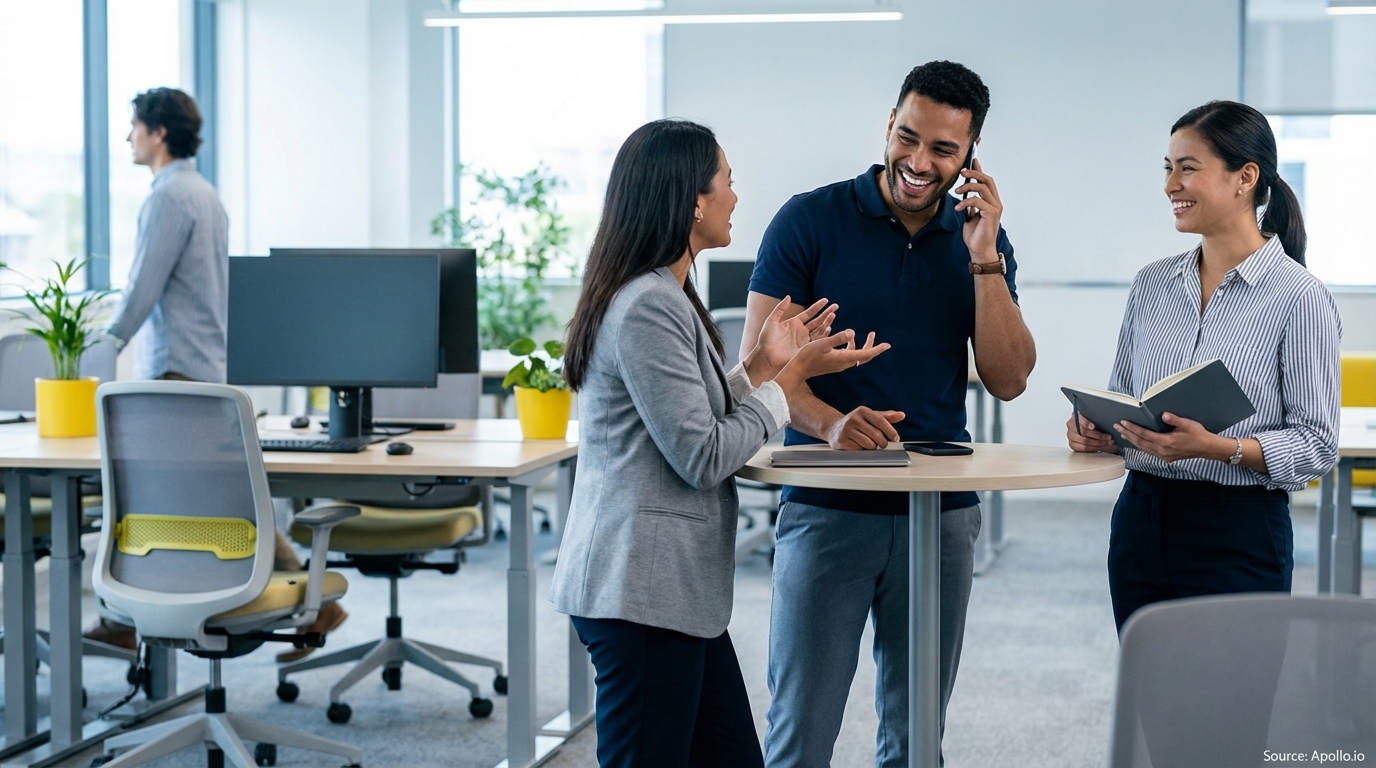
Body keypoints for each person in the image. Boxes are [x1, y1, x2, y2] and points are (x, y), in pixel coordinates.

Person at [550, 118, 890, 768]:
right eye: (727, 181)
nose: (736, 195)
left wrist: (762, 365)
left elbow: (688, 412)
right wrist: (786, 388)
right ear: (694, 199)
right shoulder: (648, 305)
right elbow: (702, 454)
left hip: (674, 598)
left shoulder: (666, 295)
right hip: (641, 595)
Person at [742, 61, 1036, 767]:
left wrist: (985, 258)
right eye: (908, 138)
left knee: (916, 737)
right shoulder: (809, 219)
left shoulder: (979, 242)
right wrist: (832, 425)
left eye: (943, 150)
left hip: (938, 514)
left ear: (971, 158)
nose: (917, 161)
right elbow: (761, 368)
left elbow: (1010, 379)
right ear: (888, 126)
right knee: (800, 730)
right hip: (826, 503)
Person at [87, 88, 346, 662]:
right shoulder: (205, 194)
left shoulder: (168, 198)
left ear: (157, 132)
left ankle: (124, 613)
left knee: (158, 504)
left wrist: (99, 350)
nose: (128, 137)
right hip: (204, 367)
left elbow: (141, 289)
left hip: (175, 375)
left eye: (133, 127)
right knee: (220, 503)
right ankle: (310, 592)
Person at [1066, 100, 1341, 630]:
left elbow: (1317, 444)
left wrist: (1219, 448)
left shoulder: (1298, 297)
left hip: (1238, 528)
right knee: (1151, 700)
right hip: (1141, 519)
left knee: (1234, 705)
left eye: (1187, 168)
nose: (1171, 184)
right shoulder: (1152, 284)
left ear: (1245, 178)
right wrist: (1099, 430)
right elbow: (1124, 397)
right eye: (1167, 169)